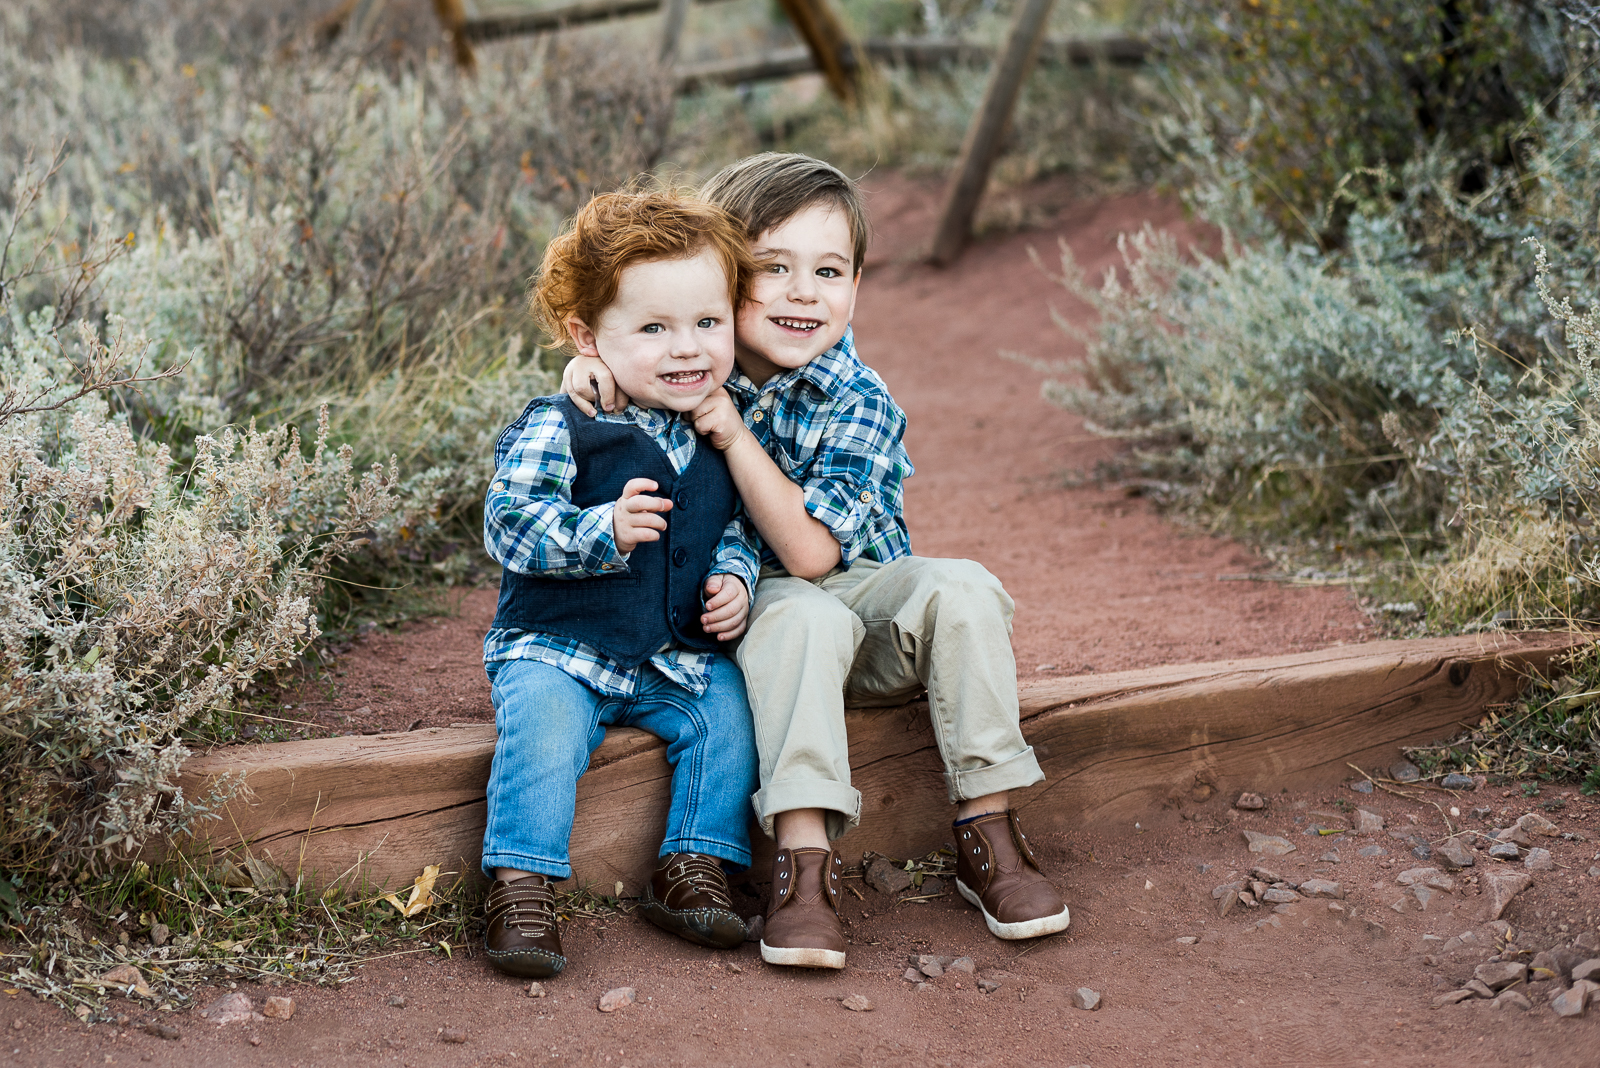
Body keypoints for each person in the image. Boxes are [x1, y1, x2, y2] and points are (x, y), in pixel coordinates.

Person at [562, 154, 1070, 971]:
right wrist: (588, 368)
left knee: (964, 586)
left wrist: (729, 430)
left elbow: (810, 551)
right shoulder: (693, 366)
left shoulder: (859, 398)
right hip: (761, 612)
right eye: (775, 269)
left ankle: (990, 833)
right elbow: (618, 359)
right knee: (802, 615)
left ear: (858, 283)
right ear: (723, 279)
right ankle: (803, 868)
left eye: (829, 271)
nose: (805, 293)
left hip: (861, 597)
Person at [480, 190, 761, 979]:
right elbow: (509, 523)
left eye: (707, 323)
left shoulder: (718, 422)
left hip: (667, 657)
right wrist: (596, 531)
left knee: (728, 714)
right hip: (559, 647)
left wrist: (734, 577)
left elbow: (732, 526)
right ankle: (522, 883)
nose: (688, 349)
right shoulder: (559, 422)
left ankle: (691, 865)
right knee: (542, 727)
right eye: (653, 329)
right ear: (587, 337)